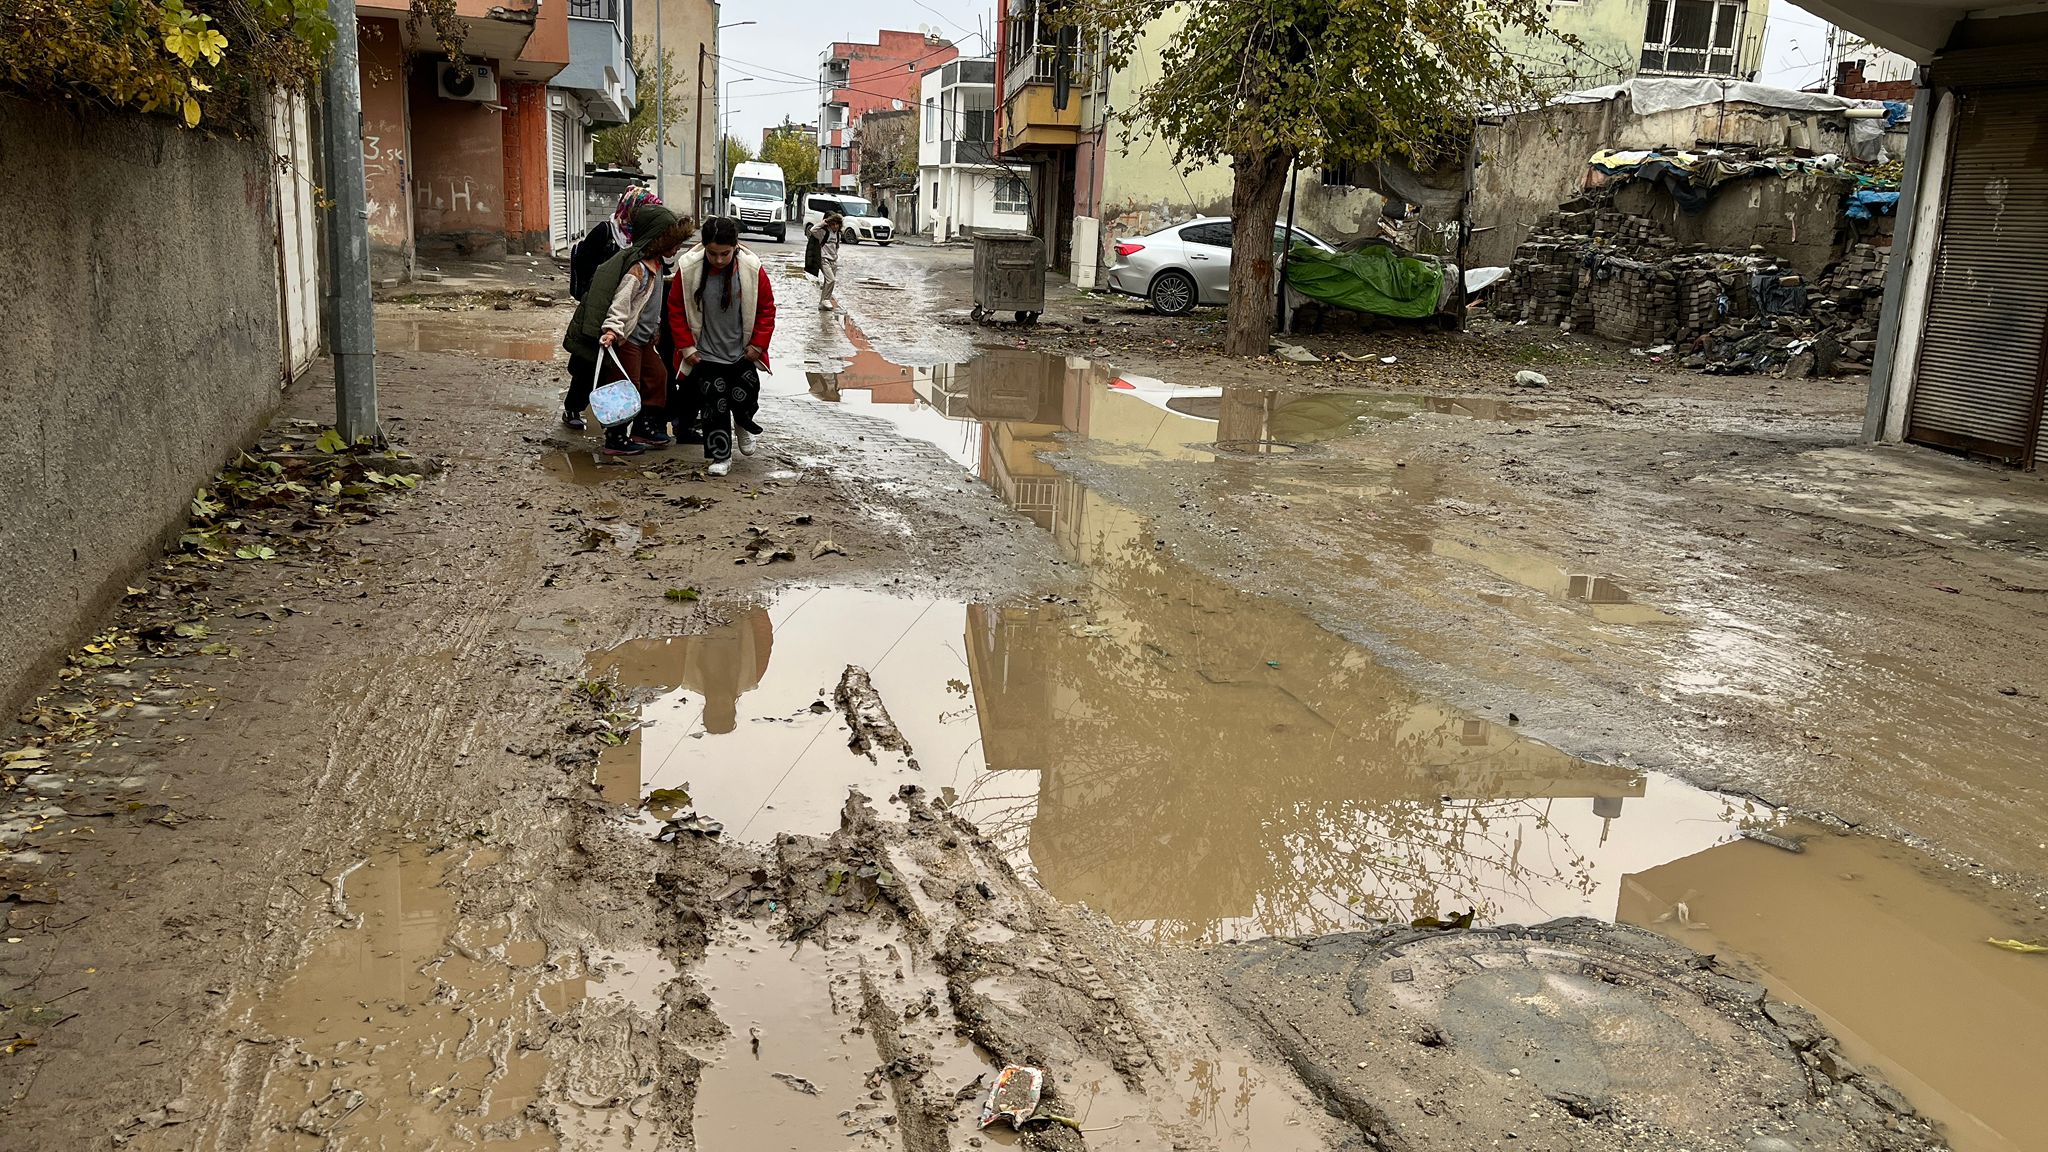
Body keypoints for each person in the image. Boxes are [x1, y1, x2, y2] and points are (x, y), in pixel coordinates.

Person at [563, 204, 694, 455]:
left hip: (644, 340)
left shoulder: (656, 266)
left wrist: (655, 329)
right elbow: (620, 304)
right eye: (673, 241)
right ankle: (616, 436)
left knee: (658, 377)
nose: (677, 248)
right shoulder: (638, 269)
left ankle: (643, 426)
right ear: (657, 239)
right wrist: (612, 330)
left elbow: (652, 306)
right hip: (628, 339)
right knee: (626, 385)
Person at [669, 217, 776, 477]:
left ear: (735, 246)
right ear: (704, 247)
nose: (718, 260)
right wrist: (687, 348)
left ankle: (743, 422)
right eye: (713, 253)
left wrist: (758, 345)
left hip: (742, 351)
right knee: (714, 406)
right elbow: (676, 311)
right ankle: (721, 456)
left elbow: (766, 310)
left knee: (747, 394)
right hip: (705, 354)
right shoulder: (690, 269)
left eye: (725, 254)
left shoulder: (751, 269)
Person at [562, 186, 661, 430]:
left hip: (626, 312)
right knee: (589, 362)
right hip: (600, 307)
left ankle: (614, 416)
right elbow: (585, 265)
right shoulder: (606, 232)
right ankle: (574, 407)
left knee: (617, 367)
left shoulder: (643, 243)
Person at [808, 212, 843, 312]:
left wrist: (835, 257)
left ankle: (822, 303)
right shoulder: (823, 232)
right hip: (824, 260)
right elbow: (812, 230)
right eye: (832, 224)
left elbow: (836, 247)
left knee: (829, 283)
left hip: (833, 261)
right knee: (831, 280)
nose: (835, 226)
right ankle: (826, 300)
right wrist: (823, 223)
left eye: (837, 224)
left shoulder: (838, 234)